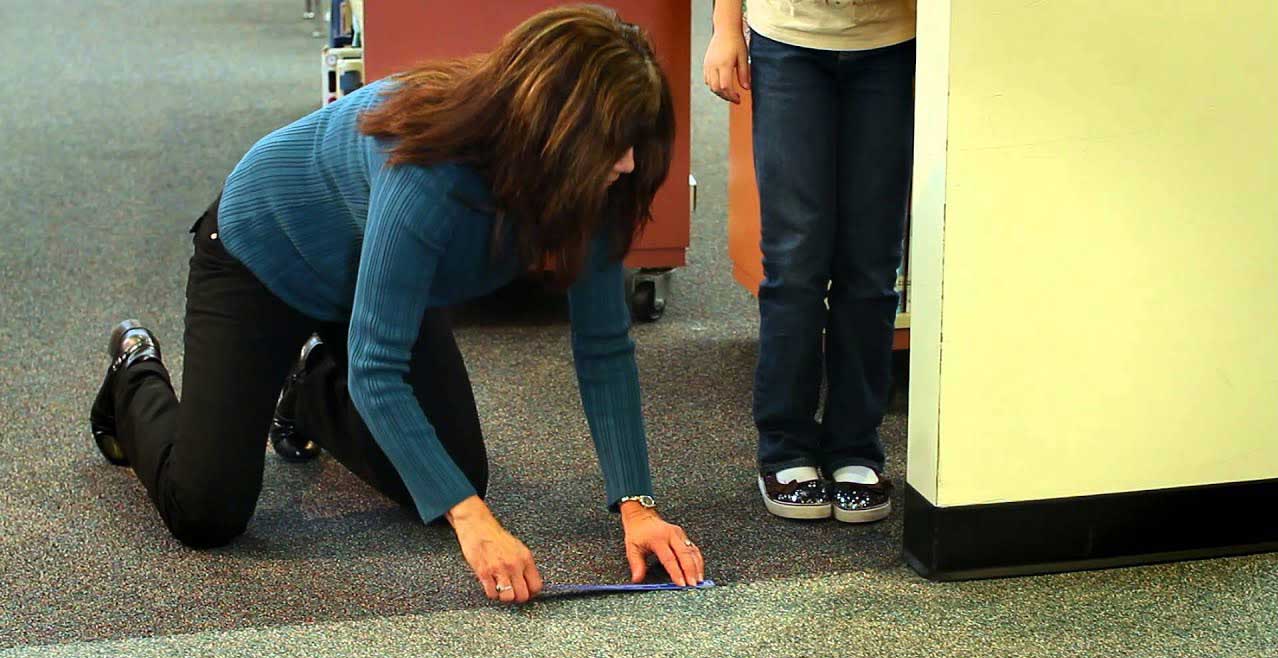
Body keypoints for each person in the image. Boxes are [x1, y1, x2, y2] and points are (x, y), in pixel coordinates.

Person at [88, 6, 704, 604]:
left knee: (453, 475)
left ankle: (307, 386)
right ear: (555, 132)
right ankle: (133, 372)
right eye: (615, 144)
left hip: (374, 274)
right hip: (264, 253)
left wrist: (636, 503)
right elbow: (378, 367)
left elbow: (603, 346)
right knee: (207, 510)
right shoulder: (430, 170)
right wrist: (475, 525)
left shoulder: (595, 182)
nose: (627, 163)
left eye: (635, 141)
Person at [703, 0, 915, 522]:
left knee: (871, 262)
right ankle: (786, 448)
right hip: (789, 41)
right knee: (796, 259)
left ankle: (855, 448)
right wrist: (726, 27)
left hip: (895, 42)